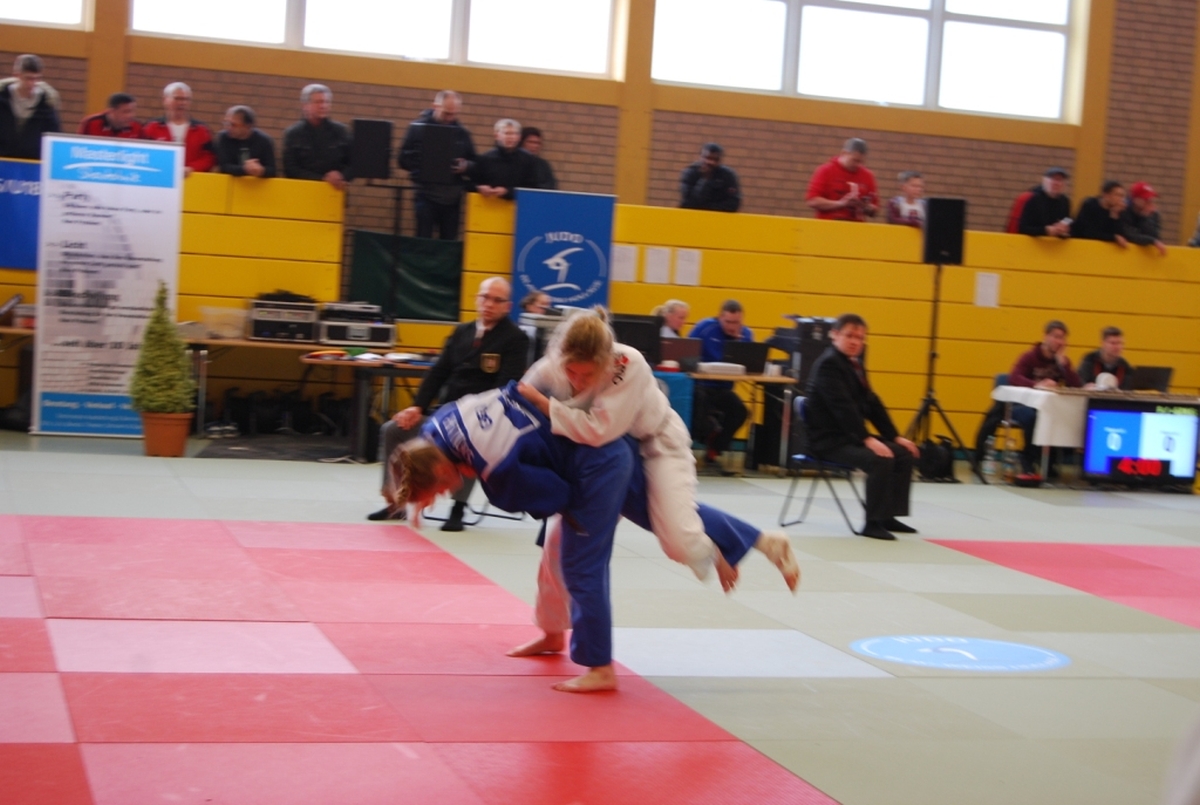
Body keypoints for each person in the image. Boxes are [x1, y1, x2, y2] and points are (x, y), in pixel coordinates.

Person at [518, 309, 798, 586]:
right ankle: (752, 542)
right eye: (571, 372)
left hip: (657, 444)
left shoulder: (628, 362)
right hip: (609, 456)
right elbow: (518, 398)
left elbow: (599, 430)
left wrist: (544, 404)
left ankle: (728, 547)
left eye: (587, 374)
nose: (577, 381)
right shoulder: (552, 364)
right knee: (559, 545)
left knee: (678, 541)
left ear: (604, 361)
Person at [385, 382, 633, 692]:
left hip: (600, 465)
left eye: (438, 490)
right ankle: (552, 634)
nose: (445, 494)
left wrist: (487, 476)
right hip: (587, 443)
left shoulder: (497, 470)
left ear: (440, 469)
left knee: (580, 564)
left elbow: (558, 495)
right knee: (555, 551)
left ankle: (601, 667)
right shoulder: (435, 427)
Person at [367, 277, 528, 531]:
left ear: (507, 306)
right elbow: (438, 372)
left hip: (482, 419)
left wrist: (468, 417)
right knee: (393, 430)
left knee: (469, 440)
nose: (489, 304)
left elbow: (504, 388)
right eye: (485, 297)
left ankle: (458, 508)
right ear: (477, 299)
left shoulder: (515, 338)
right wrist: (417, 407)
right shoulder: (462, 331)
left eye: (497, 300)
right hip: (442, 415)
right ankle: (396, 502)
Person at [805, 313, 918, 541]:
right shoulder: (829, 365)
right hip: (828, 441)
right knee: (880, 459)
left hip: (848, 436)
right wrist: (867, 439)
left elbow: (872, 403)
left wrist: (895, 437)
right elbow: (843, 408)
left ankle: (887, 515)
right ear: (834, 335)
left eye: (860, 337)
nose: (855, 342)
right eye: (849, 336)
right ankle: (872, 523)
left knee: (904, 453)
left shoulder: (855, 364)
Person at [1007, 320, 1082, 474]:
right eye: (1056, 337)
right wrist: (1037, 384)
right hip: (1023, 405)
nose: (1059, 342)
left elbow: (1076, 385)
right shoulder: (1029, 357)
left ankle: (1050, 460)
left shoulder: (1062, 362)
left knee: (1066, 418)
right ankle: (1027, 458)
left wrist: (1064, 365)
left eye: (1062, 338)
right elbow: (1014, 378)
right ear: (1045, 337)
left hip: (1048, 407)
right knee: (1033, 417)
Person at [399, 90, 477, 239]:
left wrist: (466, 166)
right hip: (425, 194)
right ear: (435, 106)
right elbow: (402, 159)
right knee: (423, 241)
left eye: (454, 114)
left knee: (448, 243)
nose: (450, 118)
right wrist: (422, 161)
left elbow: (475, 164)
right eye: (446, 113)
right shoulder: (417, 128)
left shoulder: (463, 133)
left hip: (452, 199)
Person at [688, 300, 752, 474]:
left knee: (740, 411)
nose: (732, 326)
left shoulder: (746, 334)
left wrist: (739, 343)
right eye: (728, 322)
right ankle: (693, 445)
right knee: (699, 404)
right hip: (700, 385)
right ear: (720, 318)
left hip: (723, 388)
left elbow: (749, 364)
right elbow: (687, 352)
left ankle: (714, 451)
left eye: (736, 322)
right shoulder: (705, 327)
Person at [282, 84, 351, 190]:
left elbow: (354, 164)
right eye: (318, 102)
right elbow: (290, 169)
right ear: (305, 106)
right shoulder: (293, 134)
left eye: (326, 102)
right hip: (303, 192)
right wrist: (322, 180)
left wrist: (341, 176)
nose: (323, 106)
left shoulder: (341, 132)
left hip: (335, 191)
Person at [140, 82, 214, 176]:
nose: (182, 103)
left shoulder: (201, 129)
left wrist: (191, 168)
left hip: (191, 180)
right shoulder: (152, 127)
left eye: (186, 99)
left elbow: (209, 157)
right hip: (159, 177)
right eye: (177, 99)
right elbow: (144, 155)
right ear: (165, 100)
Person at [0, 54, 61, 160]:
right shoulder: (2, 98)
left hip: (33, 162)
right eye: (28, 78)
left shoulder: (46, 104)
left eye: (36, 79)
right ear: (17, 76)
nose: (32, 83)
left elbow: (54, 137)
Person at [806, 138, 878, 222]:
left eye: (861, 162)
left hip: (856, 227)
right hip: (829, 226)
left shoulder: (868, 175)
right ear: (844, 153)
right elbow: (812, 200)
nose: (858, 165)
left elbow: (875, 209)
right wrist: (841, 203)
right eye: (854, 160)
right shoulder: (825, 171)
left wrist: (865, 206)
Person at [470, 118, 543, 199]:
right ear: (496, 136)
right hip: (489, 203)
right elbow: (471, 184)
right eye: (507, 133)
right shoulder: (485, 158)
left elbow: (532, 188)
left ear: (519, 137)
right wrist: (479, 188)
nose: (510, 137)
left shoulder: (528, 160)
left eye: (514, 134)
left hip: (517, 205)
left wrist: (508, 191)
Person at [213, 105, 276, 178]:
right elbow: (223, 166)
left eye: (233, 125)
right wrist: (245, 169)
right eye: (227, 123)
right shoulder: (223, 137)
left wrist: (261, 171)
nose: (228, 128)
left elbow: (272, 170)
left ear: (248, 126)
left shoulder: (264, 141)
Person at [679, 143, 741, 212]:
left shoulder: (727, 175)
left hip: (717, 216)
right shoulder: (691, 173)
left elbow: (733, 203)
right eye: (707, 158)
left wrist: (709, 208)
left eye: (715, 159)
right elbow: (690, 202)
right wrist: (705, 179)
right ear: (701, 157)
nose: (711, 162)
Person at [1017, 167, 1072, 238]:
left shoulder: (1065, 201)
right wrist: (1045, 230)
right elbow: (1022, 228)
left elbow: (1068, 219)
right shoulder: (1033, 198)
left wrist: (1065, 227)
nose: (1056, 183)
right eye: (1053, 179)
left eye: (1060, 180)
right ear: (1045, 181)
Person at [1071, 180, 1128, 244]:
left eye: (1122, 196)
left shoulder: (1119, 211)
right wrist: (1113, 237)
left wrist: (1114, 216)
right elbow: (1088, 232)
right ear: (1106, 195)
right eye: (1117, 195)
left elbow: (1121, 235)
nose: (1121, 199)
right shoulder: (1090, 205)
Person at [1121, 182, 1168, 256]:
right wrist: (1152, 241)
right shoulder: (1124, 211)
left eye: (1150, 199)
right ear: (1135, 200)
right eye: (1146, 199)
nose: (1149, 202)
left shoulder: (1153, 214)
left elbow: (1155, 236)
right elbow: (1130, 236)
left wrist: (1146, 218)